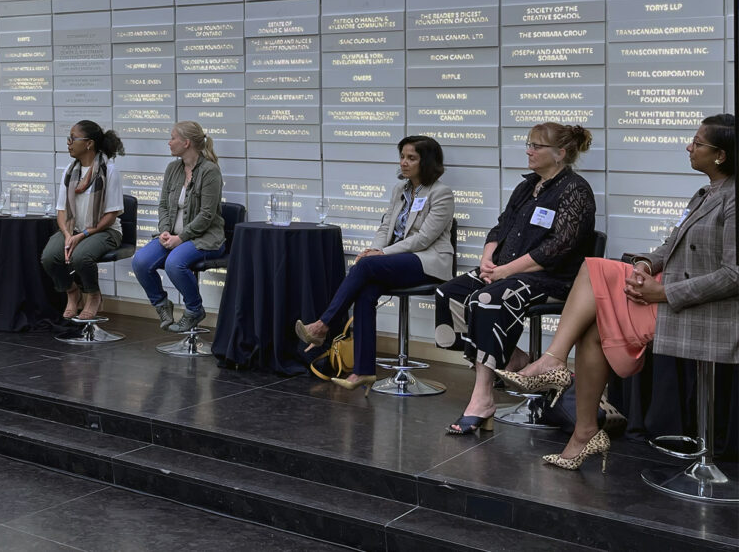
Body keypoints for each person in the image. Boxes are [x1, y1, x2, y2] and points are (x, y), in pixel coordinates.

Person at [497, 114, 737, 471]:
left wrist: (664, 292)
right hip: (675, 303)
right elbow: (668, 248)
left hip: (706, 315)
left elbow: (733, 274)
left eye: (698, 143)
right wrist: (643, 266)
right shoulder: (705, 194)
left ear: (720, 155)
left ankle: (555, 364)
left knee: (594, 270)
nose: (689, 147)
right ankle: (584, 429)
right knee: (594, 322)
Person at [435, 122, 596, 434]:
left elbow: (558, 248)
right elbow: (500, 227)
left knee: (487, 300)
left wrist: (506, 271)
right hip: (506, 273)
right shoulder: (526, 187)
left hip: (553, 280)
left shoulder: (575, 190)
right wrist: (487, 259)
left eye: (537, 146)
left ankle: (482, 398)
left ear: (560, 153)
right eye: (529, 144)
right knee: (449, 294)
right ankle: (515, 357)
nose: (529, 151)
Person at [295, 136, 455, 394]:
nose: (404, 162)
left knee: (366, 268)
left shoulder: (441, 193)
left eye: (411, 158)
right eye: (402, 156)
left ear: (427, 162)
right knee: (366, 292)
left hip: (429, 262)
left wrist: (381, 254)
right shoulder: (399, 190)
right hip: (398, 259)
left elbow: (424, 238)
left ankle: (323, 325)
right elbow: (385, 227)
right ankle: (363, 370)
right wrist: (374, 250)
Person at [132, 121, 225, 333]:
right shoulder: (173, 168)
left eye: (173, 138)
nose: (169, 142)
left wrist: (180, 238)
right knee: (140, 261)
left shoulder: (210, 171)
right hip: (173, 235)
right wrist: (165, 230)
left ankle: (194, 310)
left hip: (206, 238)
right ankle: (162, 304)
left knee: (175, 263)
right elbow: (164, 204)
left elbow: (207, 215)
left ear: (186, 142)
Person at [41, 120, 125, 321]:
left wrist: (83, 235)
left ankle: (93, 295)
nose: (68, 143)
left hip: (105, 231)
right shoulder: (70, 171)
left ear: (89, 143)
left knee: (80, 257)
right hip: (74, 229)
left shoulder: (109, 171)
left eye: (72, 138)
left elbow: (111, 215)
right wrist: (69, 235)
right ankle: (72, 291)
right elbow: (61, 210)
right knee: (49, 257)